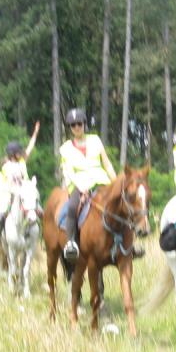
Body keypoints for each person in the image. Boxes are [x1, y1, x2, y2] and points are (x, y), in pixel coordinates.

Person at [58, 108, 116, 262]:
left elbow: (107, 163)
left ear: (84, 124)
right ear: (70, 128)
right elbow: (68, 171)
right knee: (72, 207)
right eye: (73, 125)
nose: (77, 127)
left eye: (79, 123)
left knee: (121, 204)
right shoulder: (65, 149)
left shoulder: (95, 140)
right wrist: (81, 187)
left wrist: (116, 182)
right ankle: (71, 243)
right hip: (80, 185)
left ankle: (130, 244)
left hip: (101, 181)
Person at [0, 121, 41, 231]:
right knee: (3, 210)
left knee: (37, 206)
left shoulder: (22, 161)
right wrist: (16, 190)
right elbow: (9, 182)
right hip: (12, 191)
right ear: (13, 153)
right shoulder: (6, 166)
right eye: (18, 152)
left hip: (24, 190)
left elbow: (30, 147)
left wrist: (35, 132)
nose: (21, 153)